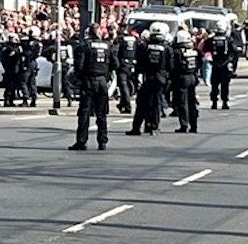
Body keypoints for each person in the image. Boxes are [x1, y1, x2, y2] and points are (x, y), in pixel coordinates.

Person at [69, 23, 117, 151]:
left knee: (84, 112)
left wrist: (81, 78)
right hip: (102, 82)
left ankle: (81, 141)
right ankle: (102, 142)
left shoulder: (84, 46)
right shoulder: (108, 46)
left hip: (88, 82)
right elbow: (115, 64)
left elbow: (79, 66)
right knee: (101, 113)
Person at [128, 21, 172, 136]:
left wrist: (136, 76)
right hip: (160, 78)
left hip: (147, 78)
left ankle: (136, 127)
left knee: (142, 103)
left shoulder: (144, 46)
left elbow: (138, 64)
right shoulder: (167, 48)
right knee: (156, 104)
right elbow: (170, 66)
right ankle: (154, 127)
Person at [170, 28, 201, 133]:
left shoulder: (177, 52)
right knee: (192, 102)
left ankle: (184, 125)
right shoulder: (194, 50)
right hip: (192, 76)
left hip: (182, 78)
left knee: (182, 102)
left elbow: (173, 66)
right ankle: (194, 125)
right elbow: (200, 62)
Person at [207, 18, 239, 110]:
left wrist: (210, 59)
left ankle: (214, 103)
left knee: (214, 85)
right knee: (225, 85)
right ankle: (225, 102)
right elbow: (235, 51)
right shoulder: (229, 40)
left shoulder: (211, 40)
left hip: (215, 65)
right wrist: (231, 62)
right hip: (225, 65)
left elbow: (204, 49)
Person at [115, 25, 138, 114]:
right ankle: (122, 104)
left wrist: (116, 65)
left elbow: (115, 52)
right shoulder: (135, 40)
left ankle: (127, 105)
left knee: (123, 85)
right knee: (127, 85)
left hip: (123, 64)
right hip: (133, 65)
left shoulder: (120, 40)